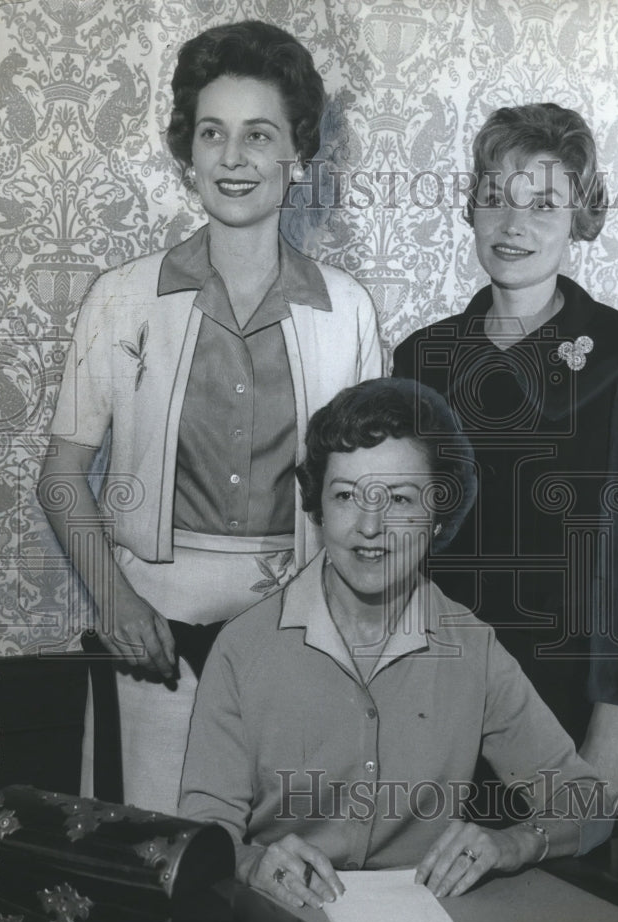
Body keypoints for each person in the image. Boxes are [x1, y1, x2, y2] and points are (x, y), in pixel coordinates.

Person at [38, 21, 381, 815]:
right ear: (185, 152)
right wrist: (118, 606)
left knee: (285, 890)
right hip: (152, 638)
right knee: (157, 884)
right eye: (212, 134)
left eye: (259, 135)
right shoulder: (121, 298)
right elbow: (62, 476)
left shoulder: (349, 313)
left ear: (297, 150)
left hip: (301, 636)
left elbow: (368, 499)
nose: (234, 158)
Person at [179, 379, 612, 909]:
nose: (369, 526)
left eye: (400, 499)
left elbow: (588, 802)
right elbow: (202, 832)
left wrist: (514, 842)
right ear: (317, 508)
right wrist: (250, 864)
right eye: (345, 496)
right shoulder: (242, 648)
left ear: (437, 517)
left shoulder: (473, 648)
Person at [393, 103, 618, 802]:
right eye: (495, 198)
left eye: (544, 204)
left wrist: (606, 738)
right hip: (436, 701)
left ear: (579, 219)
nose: (513, 225)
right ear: (471, 209)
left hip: (572, 707)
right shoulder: (421, 359)